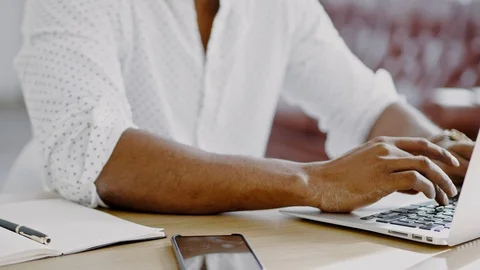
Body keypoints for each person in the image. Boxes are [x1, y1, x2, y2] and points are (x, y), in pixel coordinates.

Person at [14, 0, 474, 214]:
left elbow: (367, 105)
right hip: (84, 243)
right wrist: (315, 181)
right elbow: (97, 155)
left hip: (228, 246)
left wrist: (442, 152)